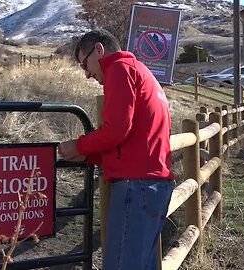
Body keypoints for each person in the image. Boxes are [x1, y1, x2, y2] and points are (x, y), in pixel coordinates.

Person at [57, 29, 174, 270]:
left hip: (136, 186)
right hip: (154, 185)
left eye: (85, 64)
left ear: (99, 49)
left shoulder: (119, 69)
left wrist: (79, 145)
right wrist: (89, 154)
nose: (87, 74)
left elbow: (117, 130)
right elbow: (131, 138)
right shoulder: (140, 71)